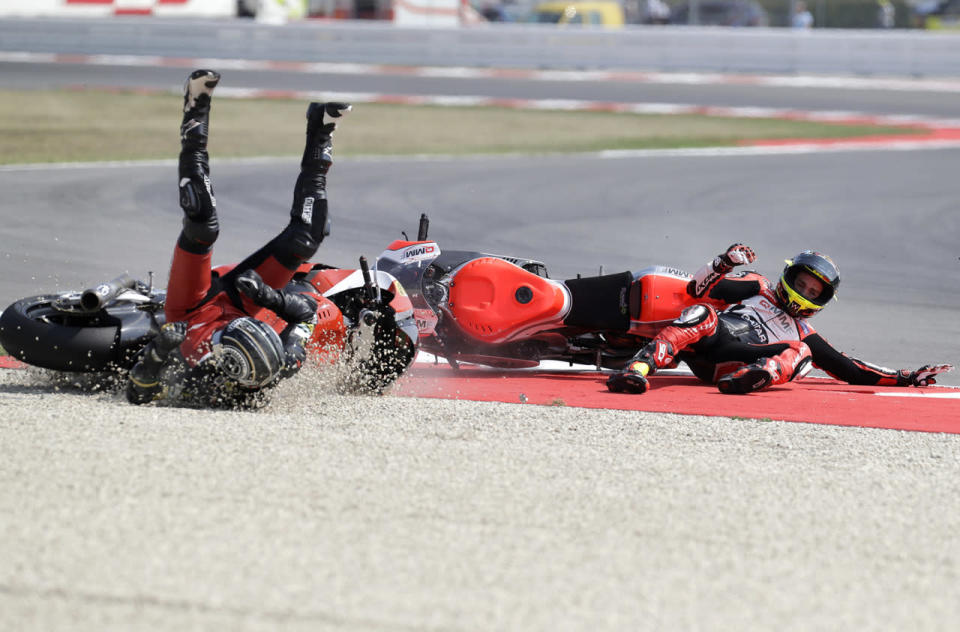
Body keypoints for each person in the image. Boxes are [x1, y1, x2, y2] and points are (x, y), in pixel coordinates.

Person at [126, 69, 351, 407]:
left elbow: (138, 395)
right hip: (247, 302)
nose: (225, 329)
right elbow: (305, 314)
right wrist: (270, 299)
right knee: (308, 236)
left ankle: (195, 108)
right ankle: (322, 128)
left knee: (202, 223)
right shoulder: (286, 362)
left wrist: (157, 355)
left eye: (225, 334)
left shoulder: (201, 381)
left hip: (191, 309)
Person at [606, 244, 952, 395]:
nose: (803, 291)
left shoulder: (805, 331)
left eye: (812, 291)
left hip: (735, 363)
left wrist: (906, 377)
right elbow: (700, 289)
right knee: (703, 312)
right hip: (709, 341)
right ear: (788, 276)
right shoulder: (759, 286)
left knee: (801, 351)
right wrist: (723, 262)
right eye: (800, 283)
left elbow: (851, 370)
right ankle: (637, 371)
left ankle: (755, 377)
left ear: (822, 300)